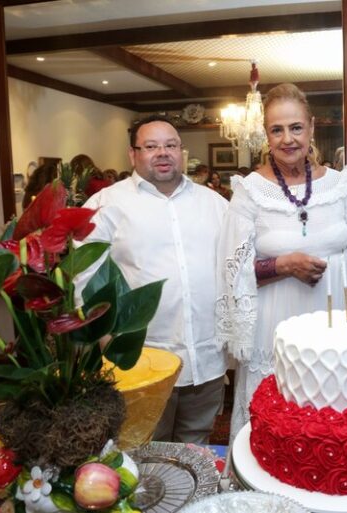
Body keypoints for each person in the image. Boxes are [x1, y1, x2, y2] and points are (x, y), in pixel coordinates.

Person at [216, 83, 347, 442]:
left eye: (295, 127)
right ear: (266, 134)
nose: (287, 138)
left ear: (311, 126)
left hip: (335, 322)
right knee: (275, 429)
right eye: (276, 129)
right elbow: (231, 271)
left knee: (330, 423)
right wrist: (283, 265)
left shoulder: (340, 185)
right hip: (274, 326)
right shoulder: (249, 191)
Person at [76, 114, 229, 443]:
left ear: (181, 151)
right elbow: (82, 277)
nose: (163, 153)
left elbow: (235, 268)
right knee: (143, 450)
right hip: (141, 361)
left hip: (206, 356)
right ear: (133, 155)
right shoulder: (106, 204)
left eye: (171, 145)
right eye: (151, 146)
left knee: (197, 446)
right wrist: (105, 340)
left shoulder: (213, 204)